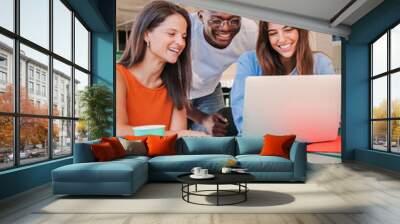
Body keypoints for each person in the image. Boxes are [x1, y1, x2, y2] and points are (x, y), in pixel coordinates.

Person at [116, 1, 206, 137]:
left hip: (161, 158)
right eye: (171, 34)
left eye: (184, 36)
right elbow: (119, 131)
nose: (181, 43)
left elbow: (175, 141)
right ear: (147, 35)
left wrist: (178, 135)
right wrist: (177, 134)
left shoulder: (175, 86)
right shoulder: (118, 75)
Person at [230, 21, 335, 135]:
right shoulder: (249, 61)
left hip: (310, 139)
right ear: (266, 37)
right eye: (273, 33)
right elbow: (240, 109)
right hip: (262, 141)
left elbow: (332, 111)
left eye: (288, 30)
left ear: (301, 31)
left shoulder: (321, 62)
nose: (281, 39)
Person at [186, 10, 258, 136]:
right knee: (174, 143)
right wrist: (202, 118)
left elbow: (263, 68)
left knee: (214, 139)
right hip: (173, 90)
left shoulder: (250, 32)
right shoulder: (185, 28)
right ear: (201, 15)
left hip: (209, 89)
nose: (225, 28)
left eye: (234, 20)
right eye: (216, 20)